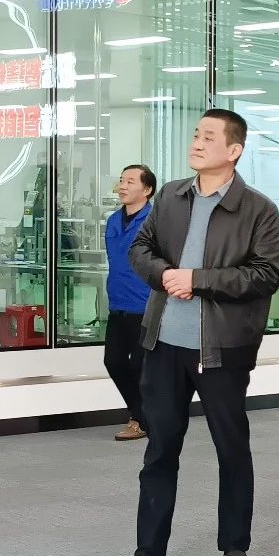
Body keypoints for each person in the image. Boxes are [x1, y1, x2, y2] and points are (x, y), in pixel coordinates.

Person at [115, 109, 279, 556]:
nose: (197, 142)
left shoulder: (258, 209)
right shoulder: (171, 195)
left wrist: (198, 280)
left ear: (234, 150)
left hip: (221, 349)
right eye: (196, 134)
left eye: (209, 136)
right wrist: (165, 275)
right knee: (159, 450)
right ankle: (148, 553)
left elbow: (265, 275)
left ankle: (235, 546)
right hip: (163, 343)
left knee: (231, 449)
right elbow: (140, 249)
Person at [105, 164, 156, 442]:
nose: (123, 186)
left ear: (147, 189)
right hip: (118, 303)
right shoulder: (113, 220)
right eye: (121, 180)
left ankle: (139, 419)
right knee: (113, 362)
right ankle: (143, 415)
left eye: (130, 181)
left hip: (146, 305)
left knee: (139, 365)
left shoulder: (156, 221)